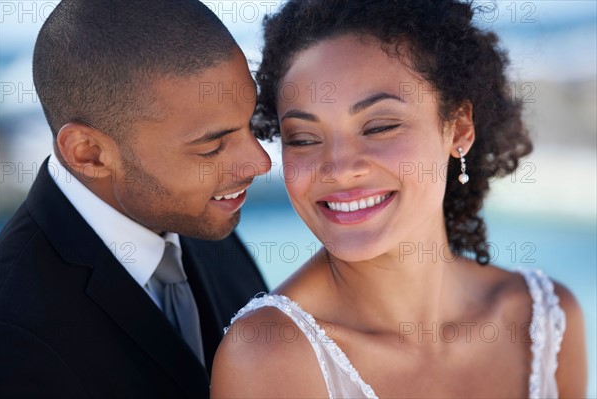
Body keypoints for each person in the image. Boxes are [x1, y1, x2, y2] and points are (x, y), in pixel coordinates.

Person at [211, 0, 587, 397]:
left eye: (379, 127)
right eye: (303, 139)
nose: (338, 168)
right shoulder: (269, 356)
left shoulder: (545, 323)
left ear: (458, 128)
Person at [0, 1, 271, 398]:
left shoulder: (200, 218)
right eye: (212, 147)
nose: (259, 162)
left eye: (252, 122)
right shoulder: (13, 334)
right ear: (88, 153)